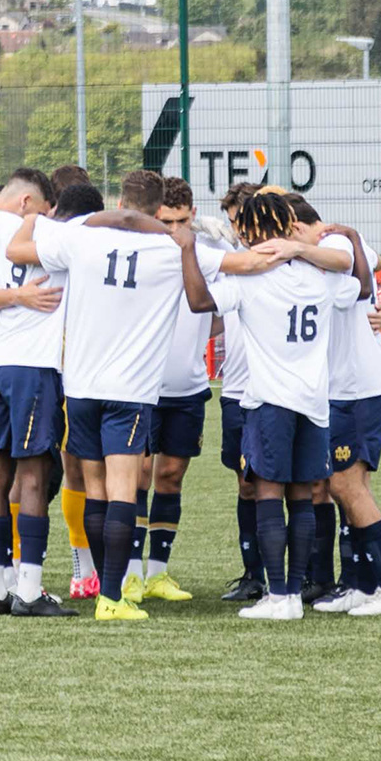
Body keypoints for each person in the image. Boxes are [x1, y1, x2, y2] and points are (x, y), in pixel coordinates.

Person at [0, 166, 213, 621]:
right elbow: (211, 292)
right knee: (122, 492)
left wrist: (39, 217)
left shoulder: (81, 237)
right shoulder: (170, 247)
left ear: (118, 202)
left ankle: (102, 584)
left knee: (94, 489)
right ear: (158, 210)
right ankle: (112, 597)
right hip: (130, 390)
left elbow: (16, 249)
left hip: (80, 386)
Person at [211, 182, 363, 621]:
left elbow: (201, 301)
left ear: (251, 230)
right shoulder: (320, 275)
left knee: (267, 493)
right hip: (314, 402)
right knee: (302, 497)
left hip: (269, 402)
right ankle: (295, 592)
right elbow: (359, 287)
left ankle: (278, 595)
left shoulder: (248, 278)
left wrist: (189, 252)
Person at [0, 166, 76, 615]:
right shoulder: (52, 233)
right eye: (45, 206)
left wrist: (11, 296)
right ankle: (28, 592)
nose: (50, 213)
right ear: (29, 204)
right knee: (33, 477)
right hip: (32, 368)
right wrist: (22, 296)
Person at [314, 201, 381, 615]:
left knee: (347, 485)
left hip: (358, 387)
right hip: (342, 387)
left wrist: (349, 237)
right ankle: (359, 582)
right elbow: (377, 260)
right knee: (342, 486)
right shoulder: (326, 249)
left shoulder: (331, 246)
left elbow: (366, 270)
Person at [121, 170, 211, 603]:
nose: (174, 230)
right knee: (137, 476)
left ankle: (158, 573)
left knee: (171, 477)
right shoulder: (138, 254)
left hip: (188, 388)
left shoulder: (206, 254)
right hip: (141, 387)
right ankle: (131, 574)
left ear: (193, 215)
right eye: (166, 221)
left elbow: (218, 311)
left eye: (181, 221)